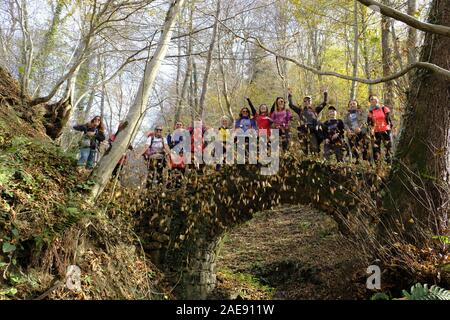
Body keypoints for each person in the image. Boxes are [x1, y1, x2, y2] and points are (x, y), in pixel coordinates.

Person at [288, 88, 328, 155]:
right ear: (303, 102)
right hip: (302, 131)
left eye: (309, 101)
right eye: (305, 101)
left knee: (314, 149)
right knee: (304, 150)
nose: (307, 102)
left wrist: (325, 93)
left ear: (311, 102)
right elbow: (291, 105)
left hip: (312, 131)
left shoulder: (315, 110)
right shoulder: (300, 110)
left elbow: (324, 103)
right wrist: (290, 95)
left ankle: (315, 163)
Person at [367, 94, 393, 162]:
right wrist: (371, 131)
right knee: (376, 149)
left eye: (374, 98)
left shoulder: (384, 108)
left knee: (388, 148)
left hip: (386, 130)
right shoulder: (370, 112)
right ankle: (378, 166)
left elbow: (389, 120)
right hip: (376, 132)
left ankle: (389, 164)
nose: (373, 100)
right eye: (371, 99)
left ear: (378, 99)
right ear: (370, 102)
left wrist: (390, 128)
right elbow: (369, 123)